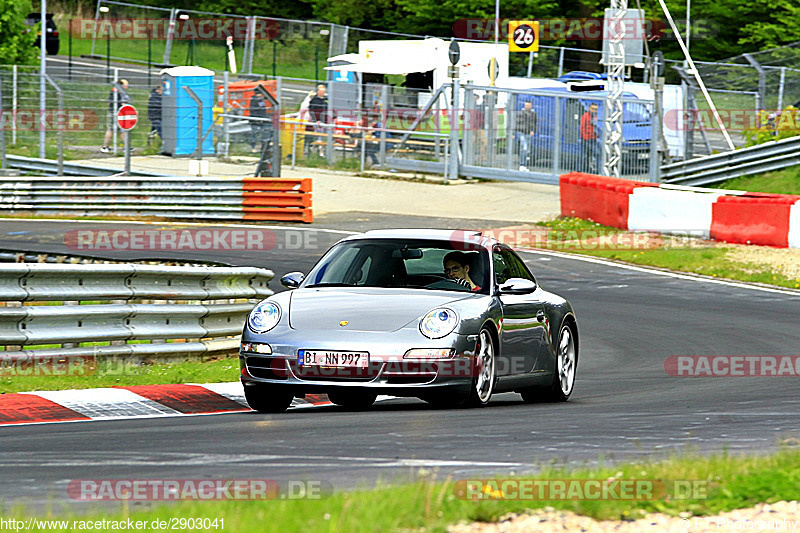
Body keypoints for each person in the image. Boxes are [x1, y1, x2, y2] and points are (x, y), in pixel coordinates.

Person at [101, 79, 131, 153]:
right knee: (113, 129)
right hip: (116, 113)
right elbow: (114, 102)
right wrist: (122, 105)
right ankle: (105, 146)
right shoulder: (115, 92)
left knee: (122, 129)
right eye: (125, 84)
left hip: (120, 113)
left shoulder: (121, 92)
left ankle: (126, 146)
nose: (127, 86)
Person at [516, 101, 537, 170]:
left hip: (528, 133)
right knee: (524, 148)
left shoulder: (533, 113)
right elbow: (516, 122)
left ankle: (524, 164)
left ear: (531, 106)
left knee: (527, 149)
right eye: (526, 105)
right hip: (521, 132)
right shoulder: (520, 113)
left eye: (528, 105)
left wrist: (533, 130)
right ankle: (522, 165)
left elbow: (534, 123)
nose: (527, 106)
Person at [580, 103, 599, 173]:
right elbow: (582, 127)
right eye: (593, 109)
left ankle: (597, 170)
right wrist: (585, 137)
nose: (594, 111)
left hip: (593, 138)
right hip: (586, 139)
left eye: (596, 109)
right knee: (584, 155)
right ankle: (582, 170)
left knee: (596, 153)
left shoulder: (596, 117)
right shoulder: (585, 116)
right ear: (589, 109)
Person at [248, 88, 269, 153]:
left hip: (261, 118)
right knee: (254, 133)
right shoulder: (255, 100)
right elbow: (255, 110)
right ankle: (253, 147)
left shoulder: (261, 100)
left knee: (263, 133)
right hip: (255, 119)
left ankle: (262, 147)